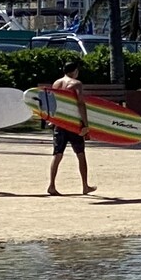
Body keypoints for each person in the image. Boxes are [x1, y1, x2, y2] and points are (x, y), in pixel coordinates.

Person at [48, 60, 95, 196]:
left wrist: (52, 120)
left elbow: (53, 103)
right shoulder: (76, 84)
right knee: (80, 154)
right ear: (75, 71)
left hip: (60, 123)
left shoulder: (56, 83)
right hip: (74, 124)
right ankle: (85, 186)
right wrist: (86, 125)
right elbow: (80, 104)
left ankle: (51, 185)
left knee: (57, 154)